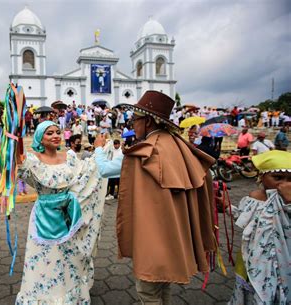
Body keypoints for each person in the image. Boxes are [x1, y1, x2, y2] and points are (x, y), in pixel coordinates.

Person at [93, 91, 216, 304]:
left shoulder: (146, 150)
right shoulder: (180, 145)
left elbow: (104, 170)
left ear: (148, 121)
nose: (132, 125)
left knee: (148, 291)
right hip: (176, 231)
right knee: (163, 284)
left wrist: (97, 150)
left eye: (135, 120)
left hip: (153, 235)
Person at [15, 121, 108, 304]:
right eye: (49, 133)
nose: (56, 135)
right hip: (44, 217)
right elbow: (17, 162)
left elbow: (88, 173)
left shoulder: (70, 157)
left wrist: (99, 150)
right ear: (40, 138)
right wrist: (14, 134)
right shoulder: (33, 160)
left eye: (58, 131)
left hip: (69, 215)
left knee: (69, 257)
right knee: (44, 258)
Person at [228, 150, 290, 305]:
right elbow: (244, 217)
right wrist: (227, 207)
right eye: (277, 178)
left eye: (290, 179)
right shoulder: (255, 197)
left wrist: (289, 201)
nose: (285, 184)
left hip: (283, 259)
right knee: (254, 292)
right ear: (262, 177)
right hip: (253, 256)